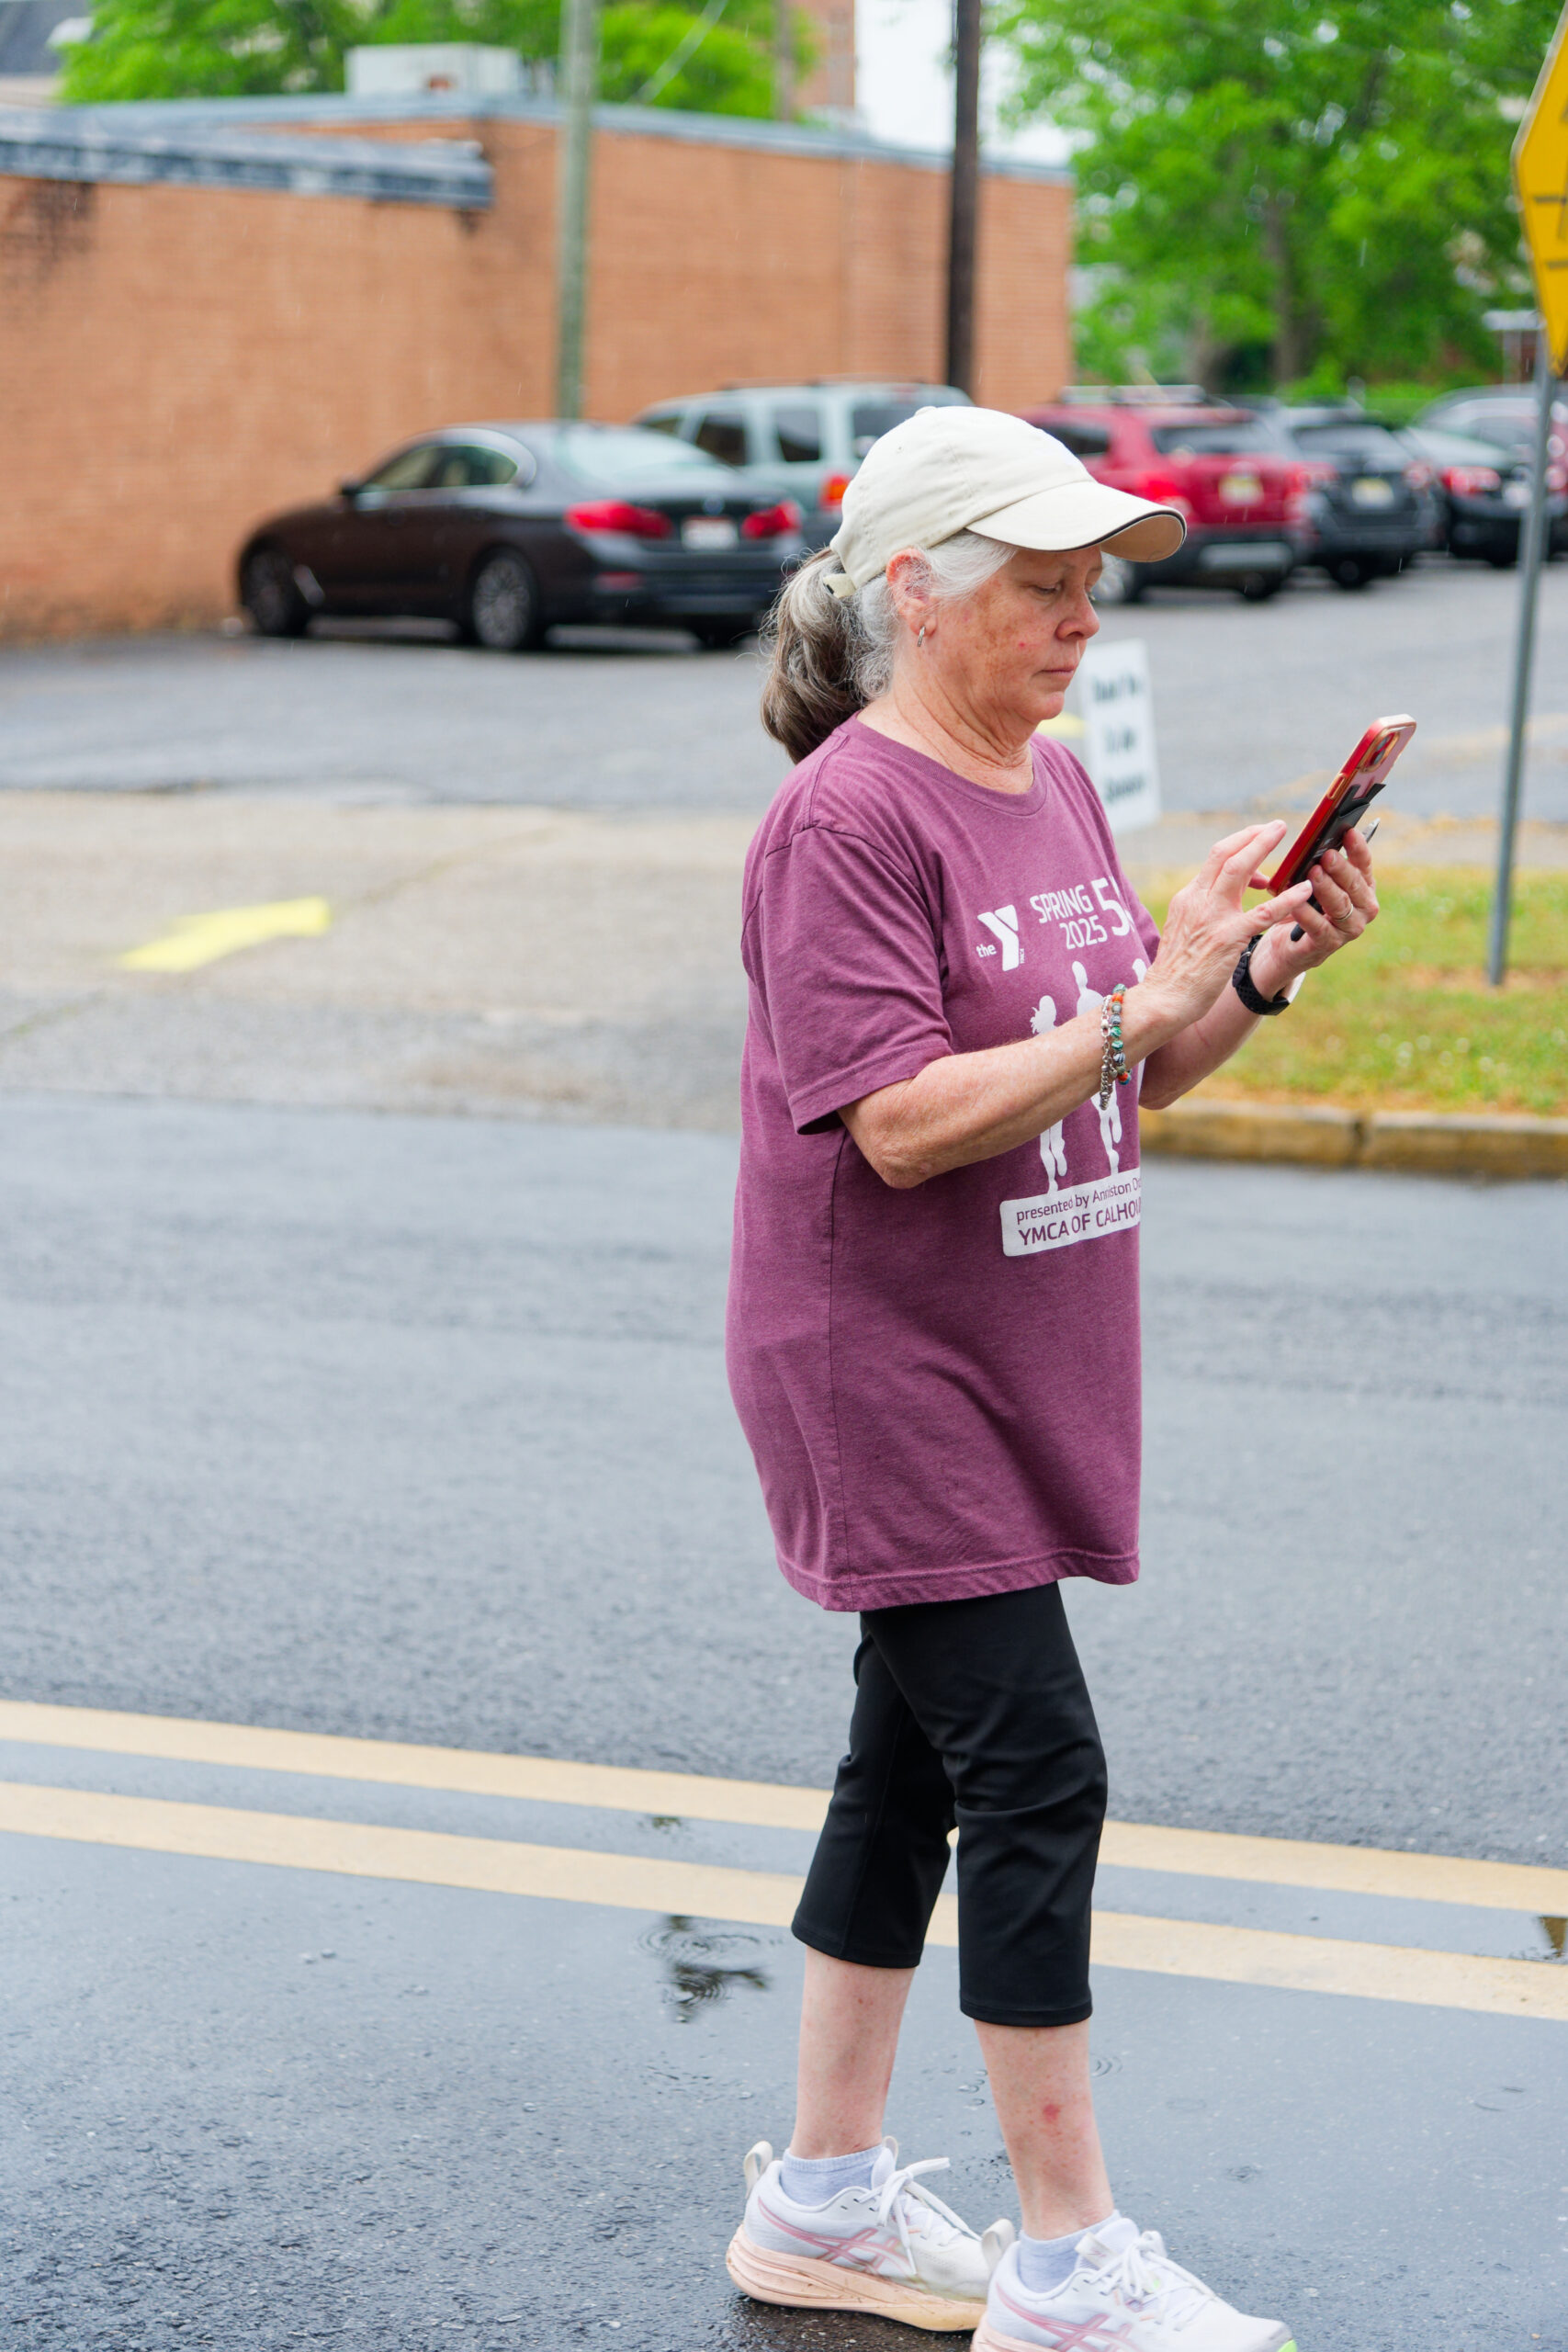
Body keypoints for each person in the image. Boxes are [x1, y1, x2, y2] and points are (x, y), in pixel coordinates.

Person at [719, 407, 1379, 2352]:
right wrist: (1132, 1003)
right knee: (1034, 1767)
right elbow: (904, 1123)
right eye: (1039, 579)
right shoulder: (845, 814)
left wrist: (1232, 982)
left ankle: (825, 2196)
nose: (1081, 612)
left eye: (1093, 577)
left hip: (1016, 1348)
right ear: (910, 587)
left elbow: (1133, 1071)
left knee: (907, 1764)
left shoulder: (1052, 778)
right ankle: (1068, 2255)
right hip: (885, 1363)